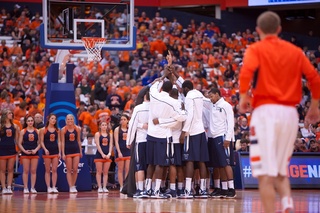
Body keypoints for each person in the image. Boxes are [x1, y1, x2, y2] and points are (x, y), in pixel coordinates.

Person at [239, 11, 320, 213]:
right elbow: (315, 79)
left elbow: (246, 72)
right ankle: (286, 202)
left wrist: (243, 97)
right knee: (279, 167)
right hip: (290, 114)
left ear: (258, 31)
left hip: (265, 112)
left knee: (265, 174)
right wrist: (313, 108)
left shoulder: (256, 49)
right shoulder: (295, 51)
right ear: (279, 29)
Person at [207, 88, 236, 199]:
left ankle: (231, 189)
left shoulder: (226, 105)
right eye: (209, 97)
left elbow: (230, 123)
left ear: (217, 94)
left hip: (223, 136)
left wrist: (228, 138)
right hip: (213, 137)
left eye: (212, 96)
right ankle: (223, 189)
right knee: (218, 165)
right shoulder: (210, 104)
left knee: (226, 163)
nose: (210, 98)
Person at [126, 88, 150, 198]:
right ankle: (150, 189)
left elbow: (132, 125)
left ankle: (140, 190)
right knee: (151, 166)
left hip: (141, 140)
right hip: (153, 140)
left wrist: (129, 140)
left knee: (139, 165)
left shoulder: (138, 108)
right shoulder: (155, 108)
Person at [18, 115, 41, 194]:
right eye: (29, 121)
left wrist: (35, 150)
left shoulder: (37, 131)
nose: (30, 122)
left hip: (34, 153)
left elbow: (40, 143)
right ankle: (25, 187)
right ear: (26, 122)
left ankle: (32, 187)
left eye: (31, 121)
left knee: (33, 170)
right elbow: (19, 143)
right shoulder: (23, 131)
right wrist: (24, 151)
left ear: (33, 122)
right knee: (26, 170)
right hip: (25, 153)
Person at [39, 113, 61, 193]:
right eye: (52, 118)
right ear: (48, 119)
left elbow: (59, 142)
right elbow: (41, 142)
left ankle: (54, 186)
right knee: (47, 170)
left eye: (55, 119)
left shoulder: (57, 130)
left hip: (55, 151)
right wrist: (45, 149)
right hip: (47, 152)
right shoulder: (43, 130)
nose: (54, 120)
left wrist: (59, 152)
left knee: (54, 169)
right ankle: (48, 187)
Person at [61, 114, 82, 193]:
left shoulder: (77, 129)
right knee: (69, 170)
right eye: (68, 119)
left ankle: (73, 185)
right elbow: (62, 142)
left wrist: (80, 151)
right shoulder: (63, 130)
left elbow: (79, 140)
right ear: (66, 120)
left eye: (71, 119)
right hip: (67, 151)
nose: (70, 121)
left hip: (76, 150)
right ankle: (70, 186)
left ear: (74, 120)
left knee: (75, 169)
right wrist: (63, 153)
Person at [0, 110, 20, 194]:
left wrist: (18, 150)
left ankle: (9, 187)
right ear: (5, 115)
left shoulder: (15, 126)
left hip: (12, 149)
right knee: (2, 170)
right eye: (9, 113)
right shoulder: (1, 126)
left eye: (11, 113)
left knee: (10, 169)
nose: (11, 114)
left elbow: (17, 140)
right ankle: (3, 188)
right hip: (2, 149)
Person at [94, 120, 113, 193]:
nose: (104, 126)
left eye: (105, 125)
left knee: (105, 172)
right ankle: (99, 187)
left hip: (107, 155)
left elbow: (111, 144)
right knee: (99, 171)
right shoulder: (97, 134)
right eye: (103, 125)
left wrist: (109, 153)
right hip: (99, 155)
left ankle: (105, 187)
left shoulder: (110, 134)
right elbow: (98, 145)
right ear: (100, 126)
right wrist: (102, 154)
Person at [114, 114, 131, 192]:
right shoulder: (117, 129)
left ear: (127, 120)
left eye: (125, 119)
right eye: (122, 119)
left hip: (128, 150)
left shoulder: (130, 129)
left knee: (127, 169)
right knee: (120, 169)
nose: (123, 121)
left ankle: (126, 185)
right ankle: (121, 186)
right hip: (120, 150)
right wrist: (119, 152)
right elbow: (116, 142)